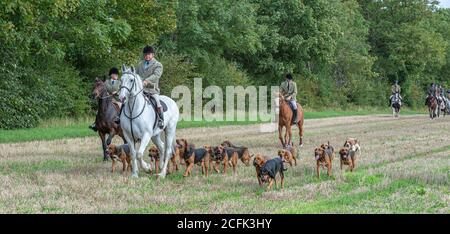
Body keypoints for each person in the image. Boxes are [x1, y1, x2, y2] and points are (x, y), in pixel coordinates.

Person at [115, 45, 164, 129]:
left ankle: (160, 119)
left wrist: (146, 81)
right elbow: (135, 75)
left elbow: (156, 75)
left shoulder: (158, 65)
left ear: (153, 55)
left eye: (149, 54)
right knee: (125, 100)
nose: (147, 56)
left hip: (152, 89)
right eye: (145, 54)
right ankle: (119, 117)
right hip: (139, 89)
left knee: (157, 101)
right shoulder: (140, 64)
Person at [89, 67, 121, 132]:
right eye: (115, 74)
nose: (116, 75)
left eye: (117, 74)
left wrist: (117, 92)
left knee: (121, 106)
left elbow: (123, 90)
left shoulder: (120, 82)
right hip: (108, 99)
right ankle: (95, 124)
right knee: (100, 109)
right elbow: (102, 90)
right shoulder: (106, 82)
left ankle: (119, 120)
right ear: (111, 75)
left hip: (118, 99)